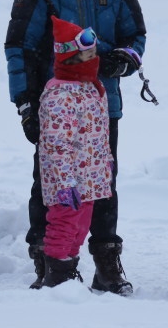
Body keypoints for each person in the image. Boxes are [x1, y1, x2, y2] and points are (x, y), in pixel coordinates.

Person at [5, 0, 146, 294]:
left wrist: (124, 60)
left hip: (103, 106)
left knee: (103, 182)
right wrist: (25, 104)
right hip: (55, 108)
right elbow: (19, 48)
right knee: (49, 184)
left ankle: (106, 261)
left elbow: (136, 35)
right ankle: (47, 260)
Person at [36, 16, 114, 287]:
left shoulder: (93, 89)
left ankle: (68, 272)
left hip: (90, 178)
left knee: (79, 230)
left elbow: (100, 134)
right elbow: (57, 144)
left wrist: (107, 162)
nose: (95, 61)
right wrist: (64, 182)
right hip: (67, 182)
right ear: (72, 59)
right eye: (88, 56)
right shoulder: (61, 95)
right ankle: (56, 277)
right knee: (63, 227)